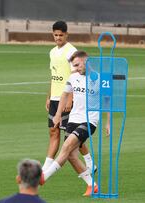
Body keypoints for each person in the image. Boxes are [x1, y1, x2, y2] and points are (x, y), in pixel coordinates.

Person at [41, 50, 109, 196]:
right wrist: (58, 115)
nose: (76, 68)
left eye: (78, 65)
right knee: (71, 155)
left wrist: (108, 123)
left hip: (89, 120)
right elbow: (64, 95)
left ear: (86, 62)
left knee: (66, 146)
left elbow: (107, 100)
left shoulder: (99, 78)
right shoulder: (73, 77)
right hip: (73, 119)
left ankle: (44, 177)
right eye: (74, 66)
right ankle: (92, 185)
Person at [43, 20, 95, 173]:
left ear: (66, 35)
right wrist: (49, 95)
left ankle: (90, 163)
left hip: (66, 99)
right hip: (55, 98)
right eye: (55, 35)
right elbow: (53, 75)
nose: (58, 37)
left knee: (73, 137)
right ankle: (47, 165)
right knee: (53, 130)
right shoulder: (52, 52)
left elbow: (76, 76)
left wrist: (71, 98)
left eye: (61, 35)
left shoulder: (71, 52)